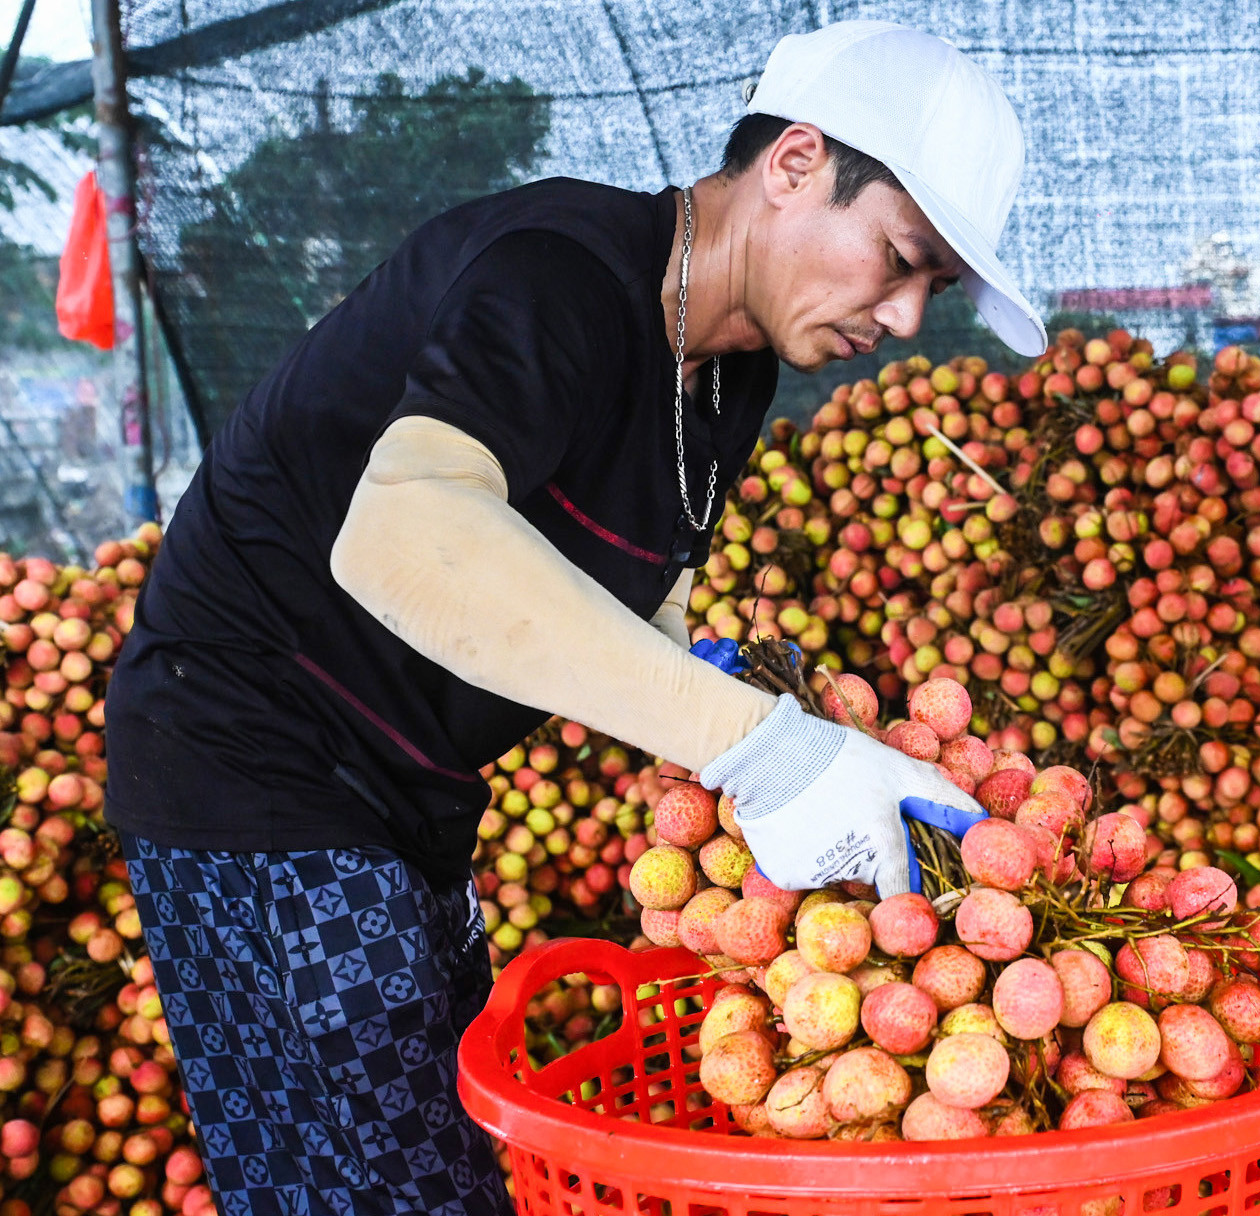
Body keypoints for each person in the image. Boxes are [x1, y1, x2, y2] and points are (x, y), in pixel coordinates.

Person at [102, 19, 1045, 1216]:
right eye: (899, 258)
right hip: (256, 763)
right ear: (796, 163)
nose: (906, 319)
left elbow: (633, 606)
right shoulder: (560, 272)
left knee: (442, 1158)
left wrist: (793, 775)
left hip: (414, 794)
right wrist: (761, 745)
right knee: (381, 1193)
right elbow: (405, 531)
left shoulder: (731, 369)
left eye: (934, 291)